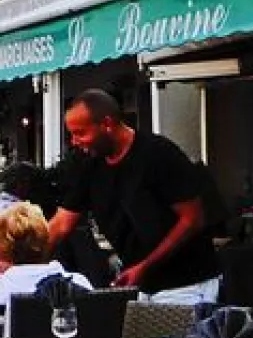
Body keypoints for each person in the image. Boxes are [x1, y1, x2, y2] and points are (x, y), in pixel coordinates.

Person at [47, 89, 221, 304]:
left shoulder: (158, 154)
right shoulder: (89, 164)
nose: (74, 142)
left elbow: (192, 219)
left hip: (187, 283)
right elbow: (61, 224)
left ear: (107, 124)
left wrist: (145, 265)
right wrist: (18, 263)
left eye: (81, 133)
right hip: (142, 284)